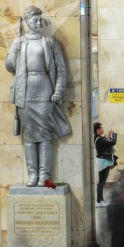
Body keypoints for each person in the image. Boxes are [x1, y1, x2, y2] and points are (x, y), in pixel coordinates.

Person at [6, 6, 72, 187]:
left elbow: (61, 70)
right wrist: (15, 48)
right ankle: (32, 174)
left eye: (39, 20)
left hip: (45, 92)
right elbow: (10, 66)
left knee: (45, 135)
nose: (37, 23)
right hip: (24, 93)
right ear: (26, 22)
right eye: (34, 20)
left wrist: (58, 90)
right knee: (29, 136)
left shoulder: (50, 42)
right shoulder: (19, 42)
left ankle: (44, 174)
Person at [94, 122, 118, 208]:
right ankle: (99, 201)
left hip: (103, 161)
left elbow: (106, 144)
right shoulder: (99, 139)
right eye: (102, 128)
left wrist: (108, 136)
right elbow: (112, 143)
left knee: (102, 181)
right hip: (103, 162)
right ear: (98, 130)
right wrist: (114, 134)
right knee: (101, 181)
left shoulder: (98, 138)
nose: (103, 129)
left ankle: (101, 200)